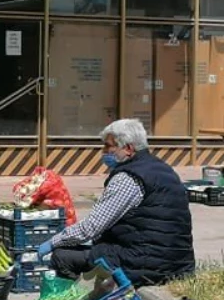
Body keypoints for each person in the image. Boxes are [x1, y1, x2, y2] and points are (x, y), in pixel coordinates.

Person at [38, 119, 194, 286]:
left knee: (62, 257)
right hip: (177, 261)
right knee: (94, 248)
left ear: (128, 148)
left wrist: (53, 242)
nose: (104, 152)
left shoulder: (128, 178)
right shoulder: (161, 168)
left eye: (108, 147)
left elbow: (91, 227)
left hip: (148, 263)